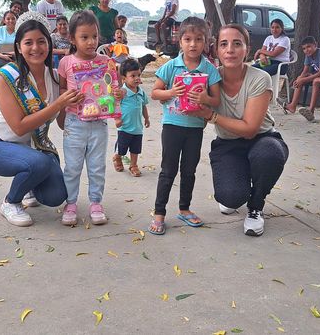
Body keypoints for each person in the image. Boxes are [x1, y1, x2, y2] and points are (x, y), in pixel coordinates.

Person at [0, 17, 83, 227]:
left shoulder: (55, 77)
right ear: (19, 47)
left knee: (55, 196)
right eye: (28, 43)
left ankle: (28, 186)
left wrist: (87, 106)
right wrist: (58, 104)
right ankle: (11, 202)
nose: (36, 48)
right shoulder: (6, 76)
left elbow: (62, 123)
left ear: (49, 44)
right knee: (39, 163)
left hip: (34, 146)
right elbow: (19, 127)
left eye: (41, 41)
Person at [193, 24, 289, 236]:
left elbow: (250, 129)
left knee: (269, 154)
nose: (230, 50)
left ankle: (256, 205)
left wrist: (211, 116)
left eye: (237, 44)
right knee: (230, 197)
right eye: (223, 44)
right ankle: (237, 189)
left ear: (247, 49)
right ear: (216, 50)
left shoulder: (259, 78)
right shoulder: (208, 78)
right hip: (228, 144)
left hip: (262, 139)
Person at [149, 16, 221, 235]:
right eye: (188, 39)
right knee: (168, 170)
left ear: (206, 42)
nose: (193, 44)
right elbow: (155, 93)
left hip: (195, 128)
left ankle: (184, 208)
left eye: (198, 39)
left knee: (189, 170)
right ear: (180, 41)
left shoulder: (209, 69)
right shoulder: (172, 66)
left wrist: (205, 99)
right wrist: (171, 92)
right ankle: (159, 212)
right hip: (172, 125)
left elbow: (216, 100)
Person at [57, 10, 123, 227]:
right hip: (74, 123)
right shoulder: (66, 62)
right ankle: (70, 204)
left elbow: (114, 87)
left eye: (94, 36)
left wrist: (118, 94)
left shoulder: (106, 62)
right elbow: (61, 90)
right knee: (72, 167)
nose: (91, 42)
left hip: (99, 123)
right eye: (84, 37)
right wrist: (67, 101)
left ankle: (96, 203)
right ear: (72, 39)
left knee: (96, 167)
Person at [112, 58, 150, 177]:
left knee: (135, 149)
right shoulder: (122, 92)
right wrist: (117, 119)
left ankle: (133, 165)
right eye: (133, 76)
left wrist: (147, 118)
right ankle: (117, 157)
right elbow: (115, 106)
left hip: (137, 128)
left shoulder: (141, 92)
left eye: (138, 75)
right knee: (122, 149)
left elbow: (143, 106)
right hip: (124, 127)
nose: (137, 78)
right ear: (124, 78)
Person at [284, 36, 320, 120]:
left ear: (315, 45)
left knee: (315, 81)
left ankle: (311, 110)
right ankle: (292, 105)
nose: (306, 50)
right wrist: (299, 79)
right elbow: (305, 71)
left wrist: (303, 79)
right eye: (304, 48)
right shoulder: (308, 55)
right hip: (319, 75)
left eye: (309, 47)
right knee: (300, 78)